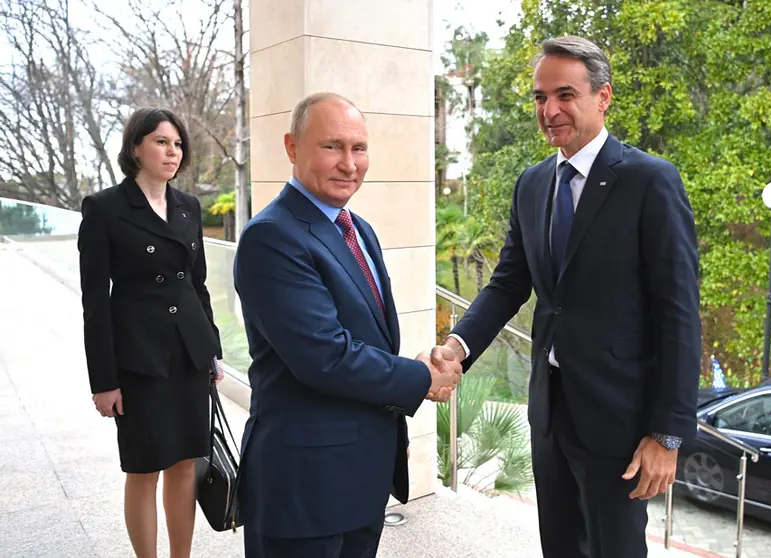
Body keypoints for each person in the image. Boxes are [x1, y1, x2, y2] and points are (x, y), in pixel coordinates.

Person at [436, 36, 702, 557]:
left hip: (620, 421)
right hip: (549, 411)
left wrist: (667, 435)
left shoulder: (650, 181)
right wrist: (459, 345)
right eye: (539, 97)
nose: (549, 110)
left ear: (603, 97)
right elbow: (510, 282)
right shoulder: (532, 185)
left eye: (564, 94)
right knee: (560, 547)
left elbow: (679, 315)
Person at [233, 92, 461, 558]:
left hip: (360, 477)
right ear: (292, 147)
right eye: (332, 146)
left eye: (359, 148)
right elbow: (325, 356)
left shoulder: (358, 229)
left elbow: (366, 339)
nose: (349, 163)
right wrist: (422, 377)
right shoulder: (272, 236)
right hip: (304, 486)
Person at [77, 107, 225, 558]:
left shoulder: (189, 206)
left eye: (178, 144)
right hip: (138, 357)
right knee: (144, 468)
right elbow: (94, 302)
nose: (172, 151)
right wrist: (104, 381)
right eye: (161, 141)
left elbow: (196, 283)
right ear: (136, 147)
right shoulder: (104, 209)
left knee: (185, 464)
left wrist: (212, 350)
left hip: (188, 352)